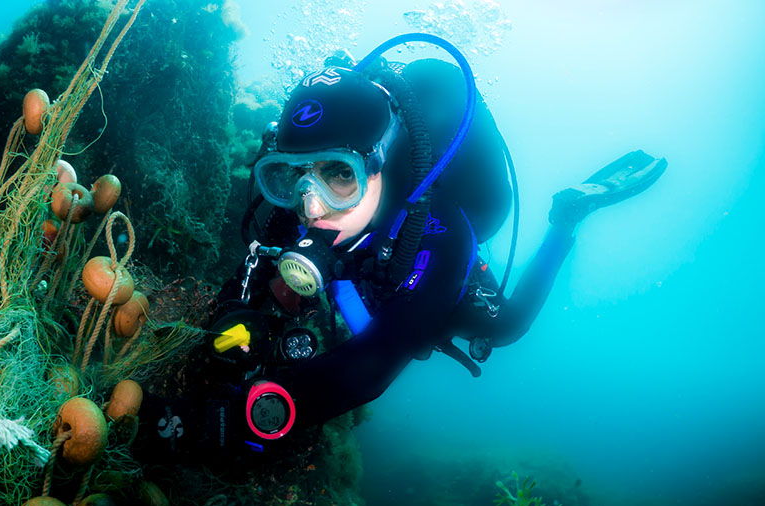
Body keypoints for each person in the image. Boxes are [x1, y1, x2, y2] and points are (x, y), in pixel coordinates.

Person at [139, 38, 667, 459]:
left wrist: (239, 419)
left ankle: (566, 217)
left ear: (377, 162)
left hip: (419, 270)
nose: (312, 207)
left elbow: (377, 359)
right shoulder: (305, 196)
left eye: (338, 175)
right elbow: (253, 268)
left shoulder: (438, 234)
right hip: (365, 263)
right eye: (291, 177)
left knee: (503, 328)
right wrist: (240, 316)